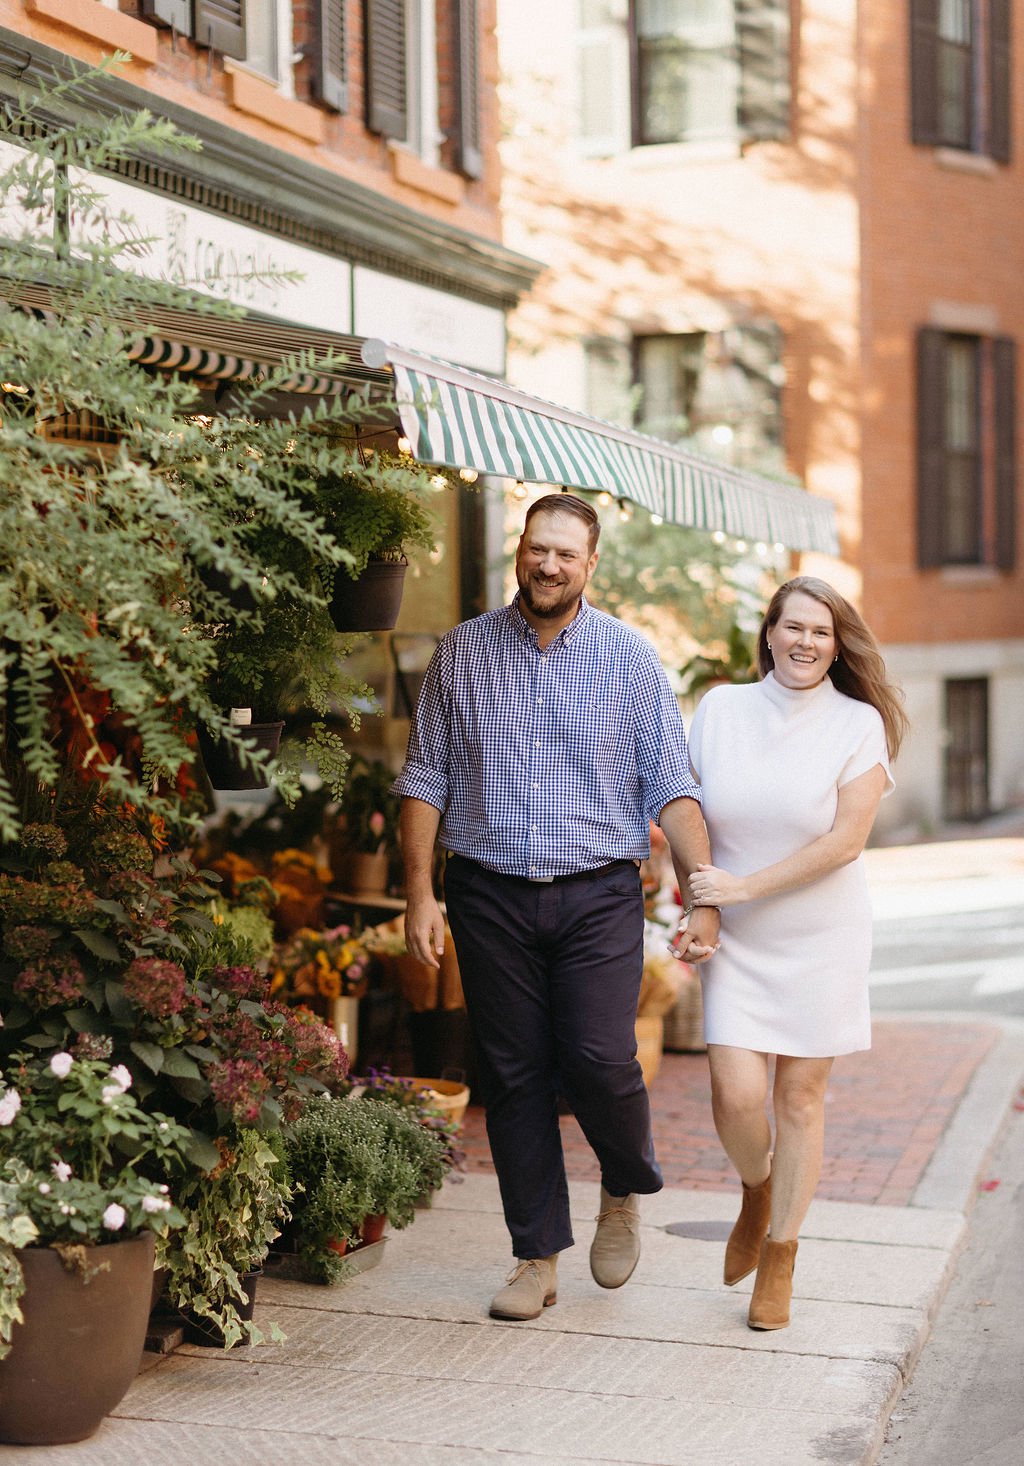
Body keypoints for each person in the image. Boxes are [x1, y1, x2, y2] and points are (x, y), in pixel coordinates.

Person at [395, 492, 719, 1321]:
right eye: (537, 549)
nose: (548, 565)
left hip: (597, 894)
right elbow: (425, 777)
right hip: (488, 893)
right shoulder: (461, 653)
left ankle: (623, 1183)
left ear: (590, 564)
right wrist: (420, 894)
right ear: (520, 551)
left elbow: (672, 783)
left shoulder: (630, 659)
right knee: (513, 1076)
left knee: (600, 1059)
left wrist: (704, 896)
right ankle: (535, 1257)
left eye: (566, 554)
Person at [676, 575, 908, 1331]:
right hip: (736, 937)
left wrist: (741, 889)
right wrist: (705, 904)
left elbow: (846, 842)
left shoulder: (857, 724)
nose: (806, 642)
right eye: (794, 627)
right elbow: (684, 811)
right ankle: (757, 1188)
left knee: (800, 1100)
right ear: (769, 633)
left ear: (837, 646)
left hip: (821, 937)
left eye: (822, 632)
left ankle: (780, 1254)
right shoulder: (721, 710)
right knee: (735, 1095)